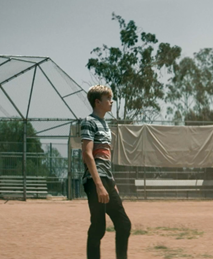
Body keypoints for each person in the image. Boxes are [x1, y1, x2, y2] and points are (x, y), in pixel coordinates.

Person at [81, 85, 131, 258]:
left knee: (124, 224)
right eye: (108, 99)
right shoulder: (89, 121)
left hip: (107, 180)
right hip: (95, 180)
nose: (111, 102)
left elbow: (106, 159)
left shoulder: (106, 126)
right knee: (98, 227)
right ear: (97, 102)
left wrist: (112, 183)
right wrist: (99, 185)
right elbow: (87, 154)